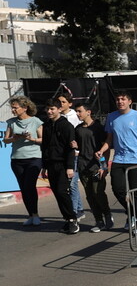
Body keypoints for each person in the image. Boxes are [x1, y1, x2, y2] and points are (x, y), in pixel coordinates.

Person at [95, 90, 137, 235]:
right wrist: (102, 149)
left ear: (129, 101)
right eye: (118, 99)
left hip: (136, 159)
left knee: (136, 192)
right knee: (117, 189)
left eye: (123, 99)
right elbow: (109, 139)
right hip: (119, 159)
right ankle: (134, 214)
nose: (120, 102)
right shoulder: (111, 117)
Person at [5, 96, 44, 226]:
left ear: (25, 108)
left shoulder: (35, 121)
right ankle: (31, 215)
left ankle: (36, 214)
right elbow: (5, 139)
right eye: (12, 108)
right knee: (23, 188)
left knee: (29, 185)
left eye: (15, 108)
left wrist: (32, 139)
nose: (13, 110)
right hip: (17, 159)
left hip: (34, 158)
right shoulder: (11, 122)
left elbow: (43, 139)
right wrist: (14, 138)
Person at [41, 100, 79, 234]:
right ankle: (67, 219)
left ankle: (73, 219)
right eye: (48, 109)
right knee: (57, 193)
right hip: (50, 164)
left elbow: (70, 148)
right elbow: (44, 146)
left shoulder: (66, 126)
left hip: (63, 164)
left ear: (59, 109)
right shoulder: (46, 125)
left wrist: (70, 167)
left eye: (52, 109)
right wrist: (44, 166)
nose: (49, 112)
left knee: (62, 192)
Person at [74, 103, 111, 232]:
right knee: (89, 195)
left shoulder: (98, 128)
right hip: (83, 166)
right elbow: (78, 146)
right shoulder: (78, 129)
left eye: (80, 111)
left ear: (88, 112)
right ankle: (98, 220)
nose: (78, 114)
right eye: (76, 111)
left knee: (98, 193)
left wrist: (104, 166)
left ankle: (107, 215)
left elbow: (106, 148)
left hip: (96, 166)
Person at [56, 93, 85, 222]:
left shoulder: (74, 116)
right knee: (71, 184)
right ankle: (79, 209)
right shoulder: (58, 117)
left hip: (75, 154)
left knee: (72, 183)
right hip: (65, 153)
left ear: (69, 103)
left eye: (63, 102)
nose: (61, 104)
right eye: (59, 102)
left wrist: (78, 149)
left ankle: (74, 211)